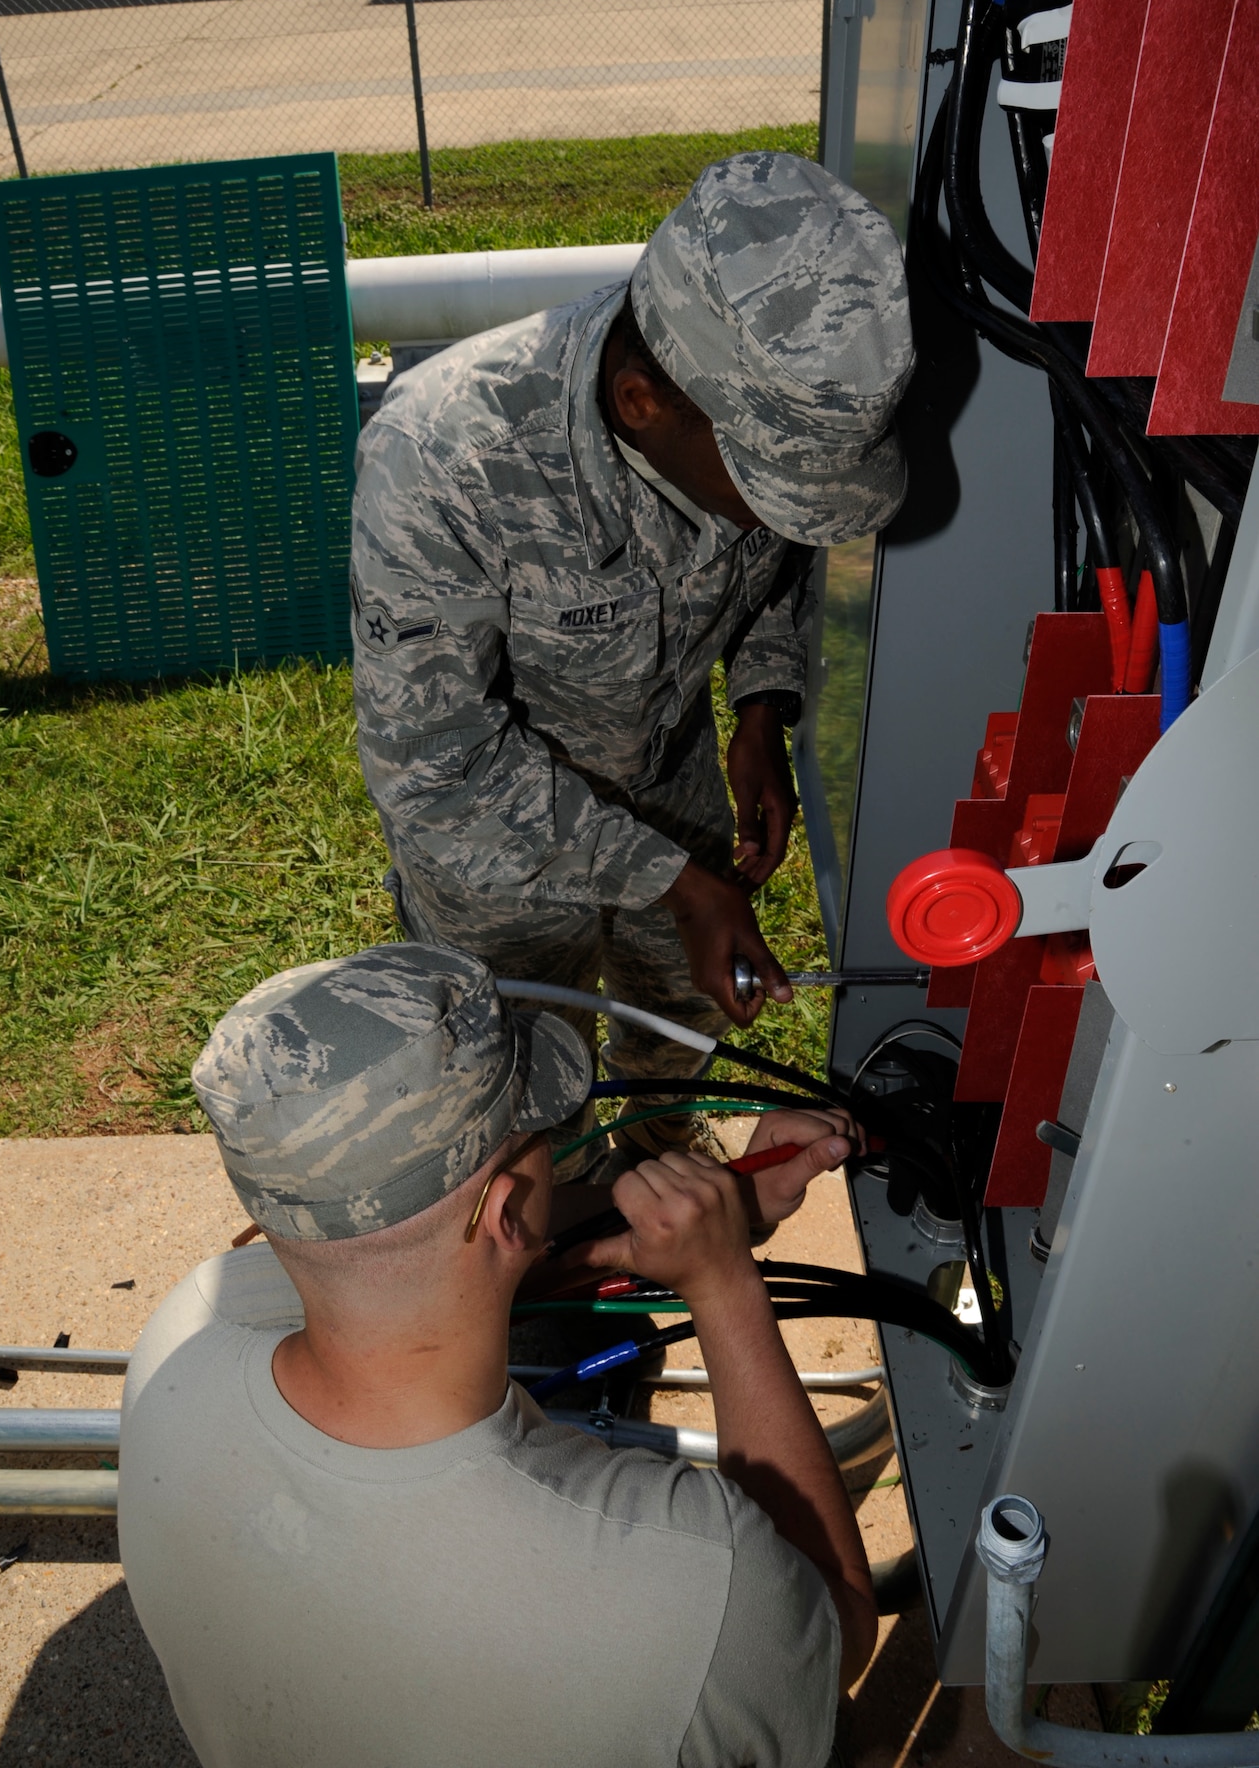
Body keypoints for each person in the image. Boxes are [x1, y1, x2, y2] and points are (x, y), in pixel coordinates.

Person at [120, 944, 878, 1768]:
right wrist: (724, 1281)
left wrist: (708, 1211)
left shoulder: (185, 1332)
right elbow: (829, 1632)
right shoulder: (689, 1584)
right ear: (510, 1211)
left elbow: (427, 1264)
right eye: (538, 1137)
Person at [350, 152, 914, 1160]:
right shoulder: (441, 458)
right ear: (638, 400)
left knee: (673, 1024)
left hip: (674, 782)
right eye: (763, 481)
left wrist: (758, 707)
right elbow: (434, 768)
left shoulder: (737, 398)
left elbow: (774, 565)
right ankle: (558, 1233)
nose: (779, 512)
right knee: (523, 1089)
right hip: (498, 862)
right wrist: (682, 886)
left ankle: (658, 1157)